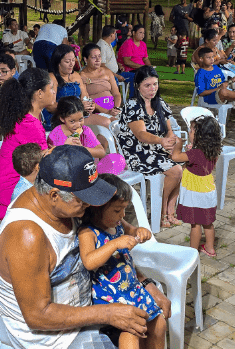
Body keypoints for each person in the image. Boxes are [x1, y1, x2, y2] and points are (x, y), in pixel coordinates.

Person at [0, 145, 143, 349]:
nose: (90, 205)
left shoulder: (65, 207)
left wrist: (143, 281)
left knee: (145, 324)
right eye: (83, 200)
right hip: (52, 338)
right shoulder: (27, 235)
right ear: (54, 195)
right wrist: (108, 313)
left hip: (86, 306)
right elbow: (38, 316)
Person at [78, 174, 168, 349]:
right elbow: (89, 261)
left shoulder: (118, 224)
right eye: (117, 210)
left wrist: (140, 232)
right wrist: (114, 245)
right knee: (131, 330)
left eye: (124, 210)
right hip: (110, 296)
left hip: (131, 289)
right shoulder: (88, 232)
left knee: (159, 322)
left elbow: (132, 230)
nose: (122, 215)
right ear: (96, 208)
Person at [118, 66, 183, 228]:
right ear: (138, 86)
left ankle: (170, 210)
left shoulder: (159, 103)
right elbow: (140, 134)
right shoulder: (132, 105)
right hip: (138, 152)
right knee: (176, 170)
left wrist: (171, 141)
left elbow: (168, 130)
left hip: (156, 149)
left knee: (185, 161)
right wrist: (162, 142)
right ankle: (161, 210)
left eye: (155, 84)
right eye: (148, 85)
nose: (152, 88)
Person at [0, 68, 54, 219]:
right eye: (51, 88)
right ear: (39, 93)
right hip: (14, 190)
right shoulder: (29, 123)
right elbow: (44, 162)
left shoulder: (28, 117)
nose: (54, 92)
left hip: (15, 182)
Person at [170, 115, 221, 256]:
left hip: (195, 191)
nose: (189, 133)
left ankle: (192, 253)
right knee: (208, 222)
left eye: (191, 131)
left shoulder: (194, 153)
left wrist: (178, 145)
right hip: (208, 189)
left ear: (200, 136)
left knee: (195, 224)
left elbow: (176, 157)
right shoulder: (212, 150)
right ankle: (210, 248)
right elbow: (200, 161)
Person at [49, 96, 124, 174]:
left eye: (81, 119)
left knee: (117, 160)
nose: (78, 125)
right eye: (72, 121)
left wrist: (82, 148)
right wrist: (66, 147)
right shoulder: (56, 134)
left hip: (86, 172)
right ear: (62, 119)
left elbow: (101, 152)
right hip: (64, 175)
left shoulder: (85, 130)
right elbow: (52, 160)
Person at [45, 45, 108, 130]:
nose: (71, 64)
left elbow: (85, 97)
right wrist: (76, 107)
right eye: (67, 61)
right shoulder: (52, 78)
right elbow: (50, 106)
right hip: (61, 118)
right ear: (58, 62)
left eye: (73, 60)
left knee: (112, 121)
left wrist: (90, 105)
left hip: (78, 115)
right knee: (105, 123)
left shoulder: (76, 75)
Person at [79, 43, 123, 118]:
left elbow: (116, 94)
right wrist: (107, 112)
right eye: (93, 57)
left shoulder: (107, 72)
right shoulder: (82, 76)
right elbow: (86, 100)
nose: (98, 59)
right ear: (86, 59)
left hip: (114, 110)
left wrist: (116, 108)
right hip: (96, 111)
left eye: (99, 56)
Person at [117, 25, 152, 97]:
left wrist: (149, 67)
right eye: (140, 32)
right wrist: (142, 67)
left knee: (153, 76)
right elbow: (127, 61)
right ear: (134, 33)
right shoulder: (128, 43)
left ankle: (148, 98)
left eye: (143, 33)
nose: (143, 35)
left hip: (141, 69)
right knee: (140, 77)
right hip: (129, 70)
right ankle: (134, 99)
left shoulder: (143, 44)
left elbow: (145, 59)